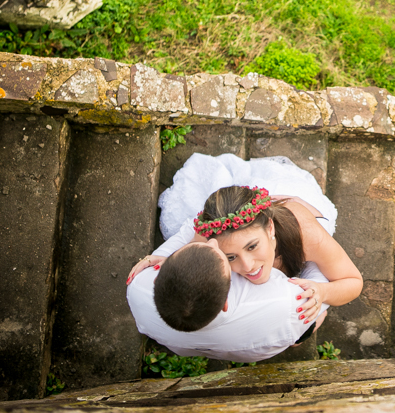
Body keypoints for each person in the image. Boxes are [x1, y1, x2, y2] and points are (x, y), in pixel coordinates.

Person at [126, 153, 362, 359]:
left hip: (297, 220)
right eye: (230, 257)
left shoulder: (304, 232)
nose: (248, 266)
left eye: (252, 246)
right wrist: (170, 260)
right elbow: (194, 255)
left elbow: (353, 282)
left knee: (312, 317)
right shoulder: (208, 239)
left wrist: (322, 292)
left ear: (269, 228)